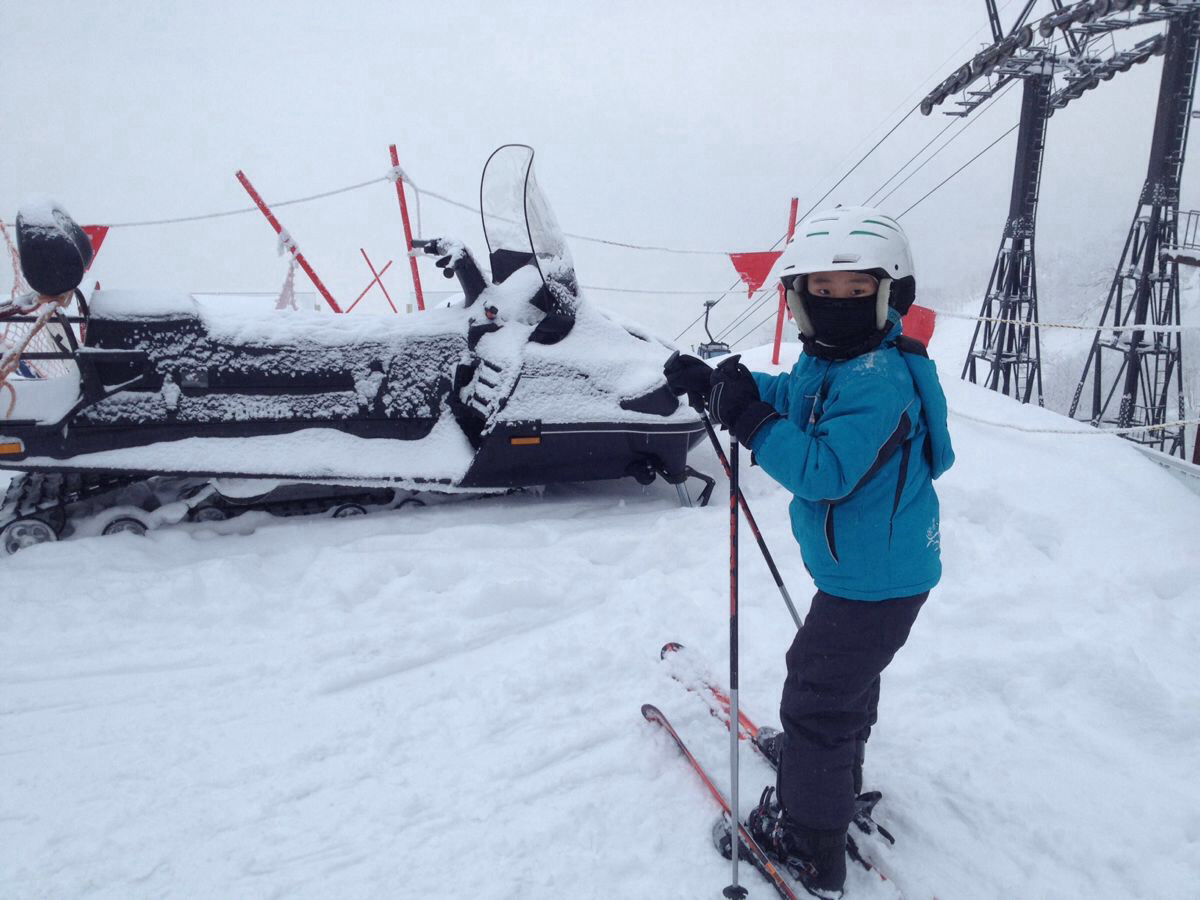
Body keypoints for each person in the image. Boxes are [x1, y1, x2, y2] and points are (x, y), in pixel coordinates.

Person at [664, 206, 954, 899]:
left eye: (858, 292)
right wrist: (726, 387)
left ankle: (810, 839)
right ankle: (827, 775)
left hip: (875, 581)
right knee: (840, 681)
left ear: (890, 298)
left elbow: (822, 469)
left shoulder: (876, 381)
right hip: (871, 573)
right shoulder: (836, 364)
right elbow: (792, 397)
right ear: (798, 299)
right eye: (823, 290)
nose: (838, 305)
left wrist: (752, 421)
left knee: (817, 696)